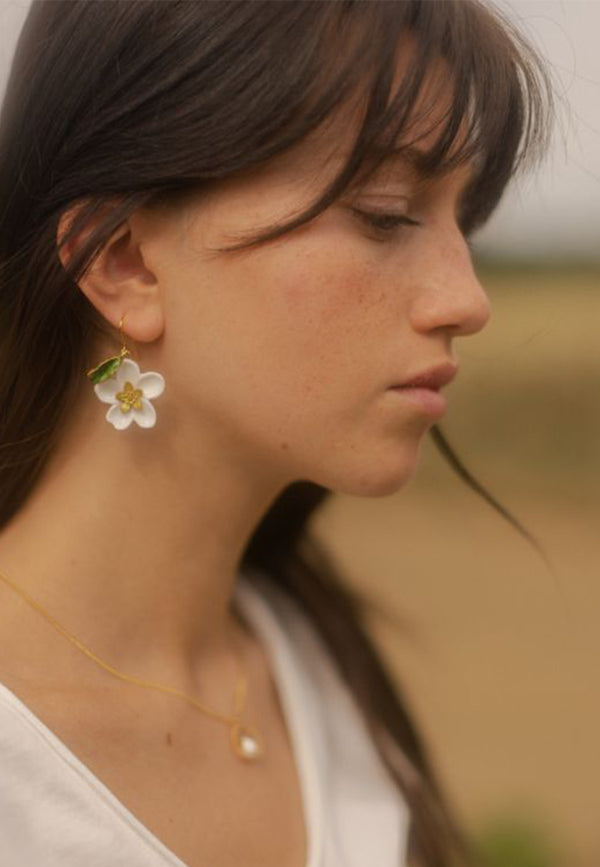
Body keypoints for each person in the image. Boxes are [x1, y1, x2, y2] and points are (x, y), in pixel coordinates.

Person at [0, 1, 554, 866]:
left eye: (461, 222)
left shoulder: (316, 664)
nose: (468, 299)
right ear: (124, 262)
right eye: (385, 212)